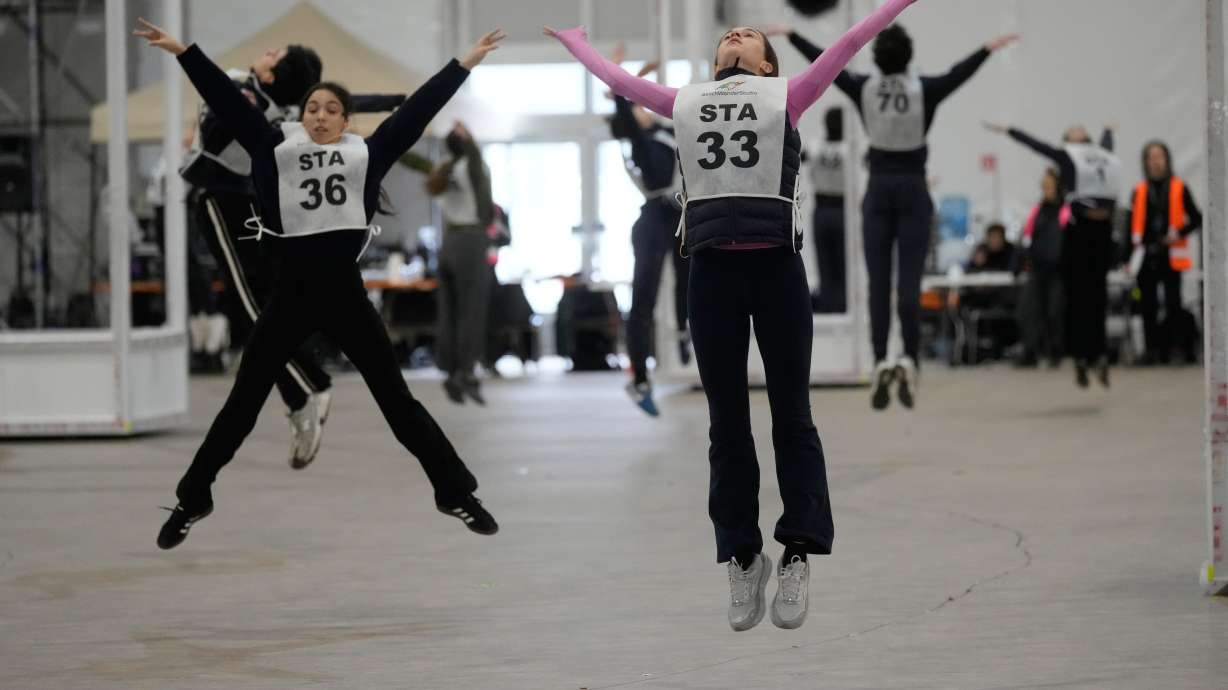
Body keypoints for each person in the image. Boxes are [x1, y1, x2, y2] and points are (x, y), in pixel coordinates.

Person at [547, 0, 917, 632]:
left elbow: (853, 40)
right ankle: (743, 556)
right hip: (711, 272)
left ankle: (798, 550)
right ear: (716, 62)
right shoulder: (686, 102)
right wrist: (579, 42)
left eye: (745, 36)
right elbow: (619, 83)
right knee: (727, 423)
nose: (735, 37)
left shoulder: (789, 96)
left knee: (792, 415)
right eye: (727, 38)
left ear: (768, 65)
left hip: (776, 269)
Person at [135, 17, 505, 549]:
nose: (322, 116)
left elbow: (418, 109)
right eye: (313, 108)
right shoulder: (271, 148)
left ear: (346, 120)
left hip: (346, 299)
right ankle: (193, 498)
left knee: (399, 404)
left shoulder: (367, 154)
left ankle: (455, 493)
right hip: (290, 297)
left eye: (333, 109)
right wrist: (182, 51)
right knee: (241, 405)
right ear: (302, 115)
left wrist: (463, 64)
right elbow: (226, 97)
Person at [766, 23, 1018, 410]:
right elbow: (958, 74)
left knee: (878, 284)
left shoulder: (864, 86)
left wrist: (792, 35)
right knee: (908, 285)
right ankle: (912, 362)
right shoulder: (924, 90)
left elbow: (828, 63)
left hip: (879, 191)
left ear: (880, 59)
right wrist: (986, 48)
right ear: (908, 58)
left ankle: (881, 357)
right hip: (914, 191)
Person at [180, 41, 409, 469]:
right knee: (263, 308)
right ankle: (301, 390)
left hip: (225, 200)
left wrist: (247, 78)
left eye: (274, 55)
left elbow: (220, 115)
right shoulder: (287, 111)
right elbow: (348, 100)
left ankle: (309, 384)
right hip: (251, 205)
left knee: (251, 307)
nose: (268, 51)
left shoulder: (245, 91)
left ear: (271, 76)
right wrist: (394, 101)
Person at [986, 122, 1121, 388]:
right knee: (1076, 300)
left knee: (1097, 297)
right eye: (1071, 130)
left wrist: (1107, 131)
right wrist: (1011, 131)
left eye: (1081, 129)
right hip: (1079, 229)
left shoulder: (1099, 158)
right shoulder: (1068, 159)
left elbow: (1106, 147)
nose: (1077, 129)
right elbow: (1038, 145)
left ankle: (1098, 353)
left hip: (1101, 230)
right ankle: (1082, 357)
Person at [604, 46, 689, 417]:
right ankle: (639, 376)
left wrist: (645, 72)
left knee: (688, 281)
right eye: (636, 108)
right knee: (644, 302)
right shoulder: (636, 143)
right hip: (653, 220)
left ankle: (686, 334)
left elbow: (665, 104)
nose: (643, 109)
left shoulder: (669, 133)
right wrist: (619, 72)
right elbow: (624, 103)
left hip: (680, 216)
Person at [425, 121, 496, 405]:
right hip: (470, 242)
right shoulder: (472, 166)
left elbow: (417, 163)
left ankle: (451, 370)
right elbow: (477, 164)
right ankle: (467, 372)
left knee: (449, 311)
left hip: (449, 243)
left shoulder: (443, 170)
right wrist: (471, 137)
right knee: (472, 310)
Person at [1131, 141, 1203, 365]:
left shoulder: (1179, 188)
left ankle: (1177, 349)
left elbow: (1196, 218)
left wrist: (1178, 233)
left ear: (1167, 160)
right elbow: (1131, 227)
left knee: (1174, 303)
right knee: (1147, 304)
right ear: (1145, 162)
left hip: (1170, 253)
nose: (1155, 161)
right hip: (1146, 254)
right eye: (1151, 157)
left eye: (1159, 157)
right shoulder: (1139, 191)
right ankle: (1151, 350)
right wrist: (1128, 258)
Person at [1017, 168, 1069, 367]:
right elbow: (1026, 237)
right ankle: (1030, 351)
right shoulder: (1037, 211)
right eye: (1043, 186)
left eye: (1049, 186)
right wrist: (1019, 262)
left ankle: (1056, 351)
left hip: (1058, 270)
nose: (1045, 190)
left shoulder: (1065, 211)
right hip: (1037, 270)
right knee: (1028, 310)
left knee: (1055, 311)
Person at [809, 108, 847, 313]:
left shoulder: (816, 147)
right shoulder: (848, 149)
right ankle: (841, 305)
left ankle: (827, 304)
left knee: (825, 264)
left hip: (821, 211)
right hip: (842, 211)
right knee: (843, 264)